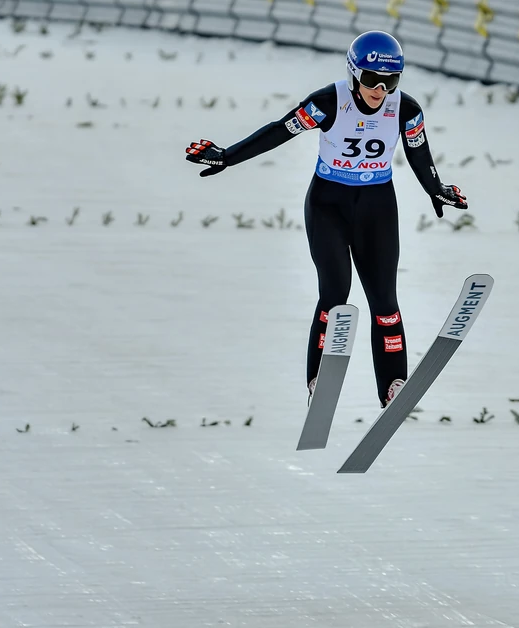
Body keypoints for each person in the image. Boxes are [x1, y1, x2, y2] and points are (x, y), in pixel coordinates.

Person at [184, 30, 469, 409]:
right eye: (371, 79)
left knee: (385, 301)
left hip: (377, 207)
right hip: (328, 206)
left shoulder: (407, 110)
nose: (379, 90)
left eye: (390, 81)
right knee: (335, 294)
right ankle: (319, 379)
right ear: (353, 73)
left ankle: (393, 384)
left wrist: (436, 189)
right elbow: (278, 131)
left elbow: (420, 155)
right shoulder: (326, 103)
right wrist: (227, 156)